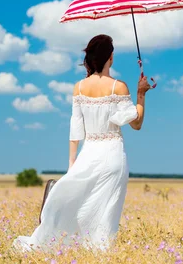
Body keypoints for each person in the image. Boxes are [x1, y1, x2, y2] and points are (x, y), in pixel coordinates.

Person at [13, 34, 152, 252]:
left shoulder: (78, 88)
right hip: (113, 155)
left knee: (79, 205)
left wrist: (72, 164)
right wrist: (141, 94)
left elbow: (75, 129)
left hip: (88, 153)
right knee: (106, 211)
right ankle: (99, 254)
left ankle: (73, 248)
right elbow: (136, 124)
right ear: (111, 58)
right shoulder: (119, 87)